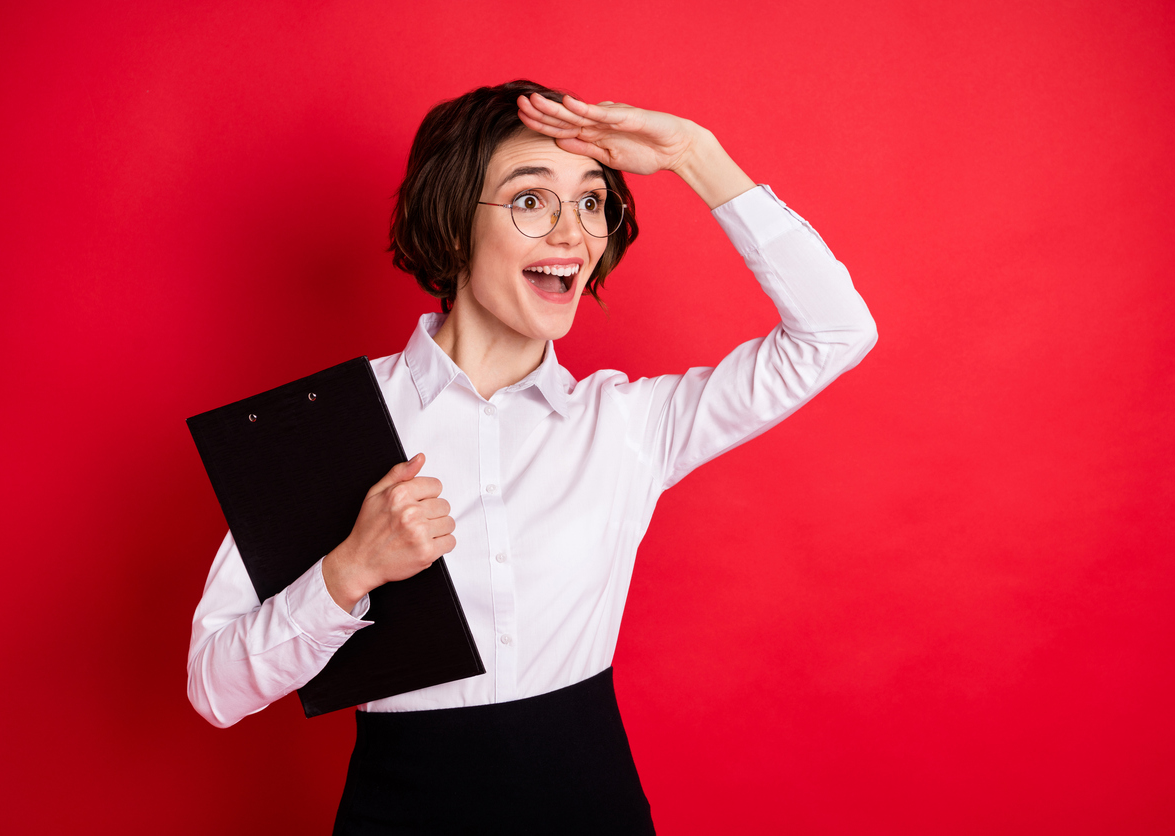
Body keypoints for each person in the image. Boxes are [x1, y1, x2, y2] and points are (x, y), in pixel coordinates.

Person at [187, 79, 877, 835]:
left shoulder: (626, 425)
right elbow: (215, 689)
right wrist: (350, 570)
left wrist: (694, 154)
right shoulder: (332, 426)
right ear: (454, 229)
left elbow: (836, 332)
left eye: (591, 202)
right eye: (530, 199)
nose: (573, 233)